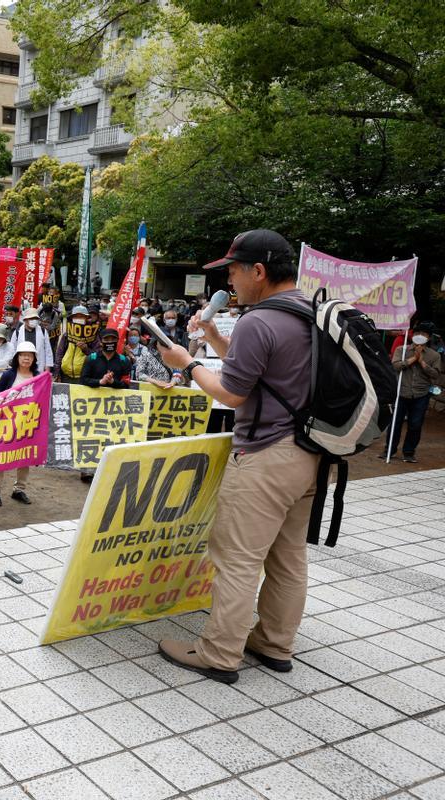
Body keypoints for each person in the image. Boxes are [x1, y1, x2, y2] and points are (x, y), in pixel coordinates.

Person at [156, 228, 318, 685]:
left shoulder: (260, 320)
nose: (229, 280)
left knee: (238, 557)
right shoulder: (312, 311)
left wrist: (186, 365)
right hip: (312, 453)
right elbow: (262, 371)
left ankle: (219, 653)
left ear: (258, 271)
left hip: (266, 453)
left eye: (233, 270)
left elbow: (231, 392)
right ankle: (273, 643)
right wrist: (212, 336)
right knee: (289, 556)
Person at [0, 341, 39, 506]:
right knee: (1, 455)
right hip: (7, 422)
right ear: (17, 357)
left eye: (29, 356)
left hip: (27, 424)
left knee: (25, 457)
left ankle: (19, 489)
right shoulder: (9, 375)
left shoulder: (38, 376)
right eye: (23, 355)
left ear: (34, 358)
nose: (26, 359)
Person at [387, 321, 442, 463]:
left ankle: (409, 452)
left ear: (428, 338)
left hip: (421, 394)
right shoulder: (401, 349)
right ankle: (389, 450)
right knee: (395, 423)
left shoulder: (434, 355)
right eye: (417, 333)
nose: (419, 336)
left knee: (415, 424)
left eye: (423, 334)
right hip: (402, 392)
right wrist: (412, 359)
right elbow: (395, 365)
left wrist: (422, 362)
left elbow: (436, 374)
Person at [10, 306, 55, 375]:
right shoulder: (18, 332)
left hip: (39, 365)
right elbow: (12, 349)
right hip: (22, 366)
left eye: (35, 318)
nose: (33, 320)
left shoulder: (43, 331)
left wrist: (48, 367)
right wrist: (14, 365)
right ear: (25, 320)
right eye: (31, 318)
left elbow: (48, 350)